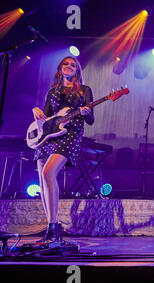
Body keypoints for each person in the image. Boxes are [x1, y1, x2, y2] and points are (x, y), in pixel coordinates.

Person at [32, 56, 94, 243]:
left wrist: (87, 112)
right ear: (60, 69)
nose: (69, 67)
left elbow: (90, 120)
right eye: (66, 64)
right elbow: (47, 119)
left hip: (71, 134)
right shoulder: (53, 91)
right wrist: (36, 111)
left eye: (73, 65)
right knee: (43, 178)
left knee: (49, 172)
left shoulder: (84, 90)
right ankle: (51, 226)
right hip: (50, 135)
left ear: (77, 70)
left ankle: (53, 226)